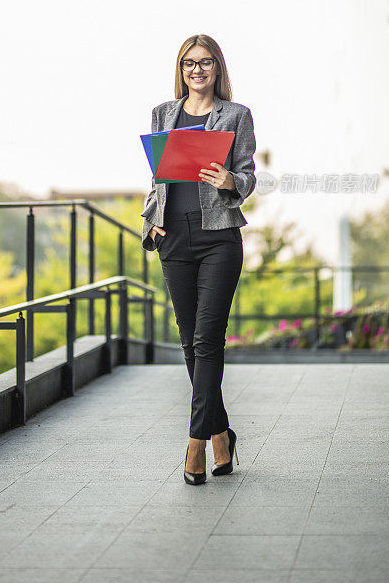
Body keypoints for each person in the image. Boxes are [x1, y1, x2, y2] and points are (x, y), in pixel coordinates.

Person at [141, 34, 256, 485]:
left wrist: (232, 180)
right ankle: (222, 434)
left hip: (218, 239)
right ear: (181, 69)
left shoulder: (236, 116)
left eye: (205, 63)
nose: (197, 70)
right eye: (189, 63)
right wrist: (150, 221)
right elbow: (157, 180)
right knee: (191, 344)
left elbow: (248, 175)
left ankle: (195, 445)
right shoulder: (163, 114)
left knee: (208, 341)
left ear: (217, 68)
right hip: (174, 239)